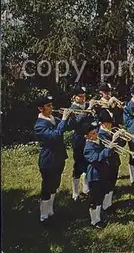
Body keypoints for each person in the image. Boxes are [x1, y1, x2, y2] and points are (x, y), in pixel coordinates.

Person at [34, 93, 71, 224]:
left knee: (55, 185)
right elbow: (55, 136)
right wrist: (65, 119)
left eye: (51, 105)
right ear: (40, 109)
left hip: (59, 157)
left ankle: (50, 211)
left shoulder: (52, 118)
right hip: (48, 160)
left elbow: (67, 126)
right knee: (47, 187)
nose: (51, 107)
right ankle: (43, 216)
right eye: (48, 106)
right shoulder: (39, 125)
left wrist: (72, 116)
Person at [83, 120, 114, 228]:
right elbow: (96, 158)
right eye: (93, 134)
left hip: (102, 173)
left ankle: (98, 218)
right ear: (86, 136)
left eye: (96, 132)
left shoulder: (97, 142)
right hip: (94, 175)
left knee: (100, 196)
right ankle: (94, 221)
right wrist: (107, 149)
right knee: (95, 199)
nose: (96, 135)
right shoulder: (88, 148)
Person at [68, 85, 93, 201]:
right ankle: (75, 193)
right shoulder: (72, 108)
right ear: (74, 97)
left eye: (84, 96)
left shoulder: (86, 106)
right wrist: (88, 111)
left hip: (89, 137)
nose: (83, 99)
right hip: (78, 139)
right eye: (81, 97)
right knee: (78, 165)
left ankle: (86, 189)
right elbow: (75, 123)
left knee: (89, 162)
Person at [96, 110, 123, 213]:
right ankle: (104, 206)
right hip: (106, 163)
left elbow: (121, 145)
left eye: (111, 123)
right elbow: (104, 150)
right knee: (106, 185)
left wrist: (120, 137)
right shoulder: (100, 134)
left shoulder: (110, 131)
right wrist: (114, 139)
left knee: (112, 183)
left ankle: (109, 204)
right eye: (108, 123)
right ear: (103, 123)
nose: (111, 125)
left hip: (114, 161)